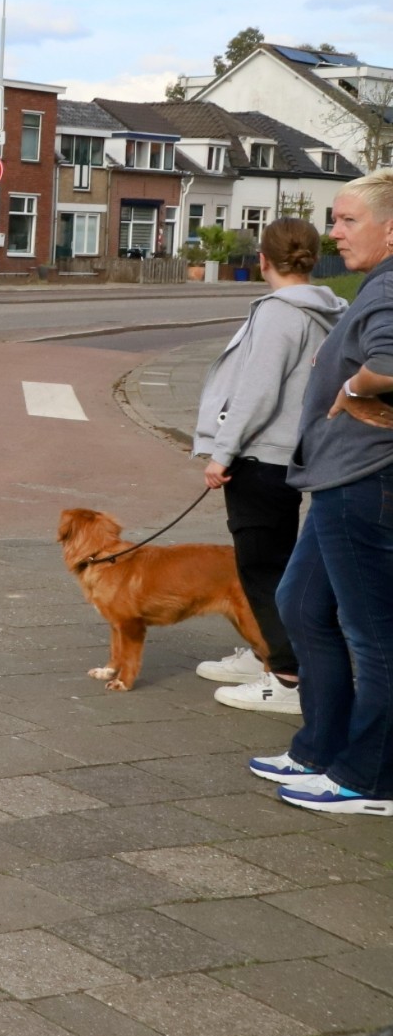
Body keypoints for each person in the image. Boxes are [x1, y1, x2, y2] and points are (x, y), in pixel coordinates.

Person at [250, 169, 393, 815]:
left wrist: (354, 387)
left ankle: (370, 778)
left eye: (348, 220)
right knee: (302, 605)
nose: (333, 233)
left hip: (365, 480)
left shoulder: (388, 287)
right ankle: (321, 748)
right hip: (338, 477)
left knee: (373, 635)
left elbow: (388, 361)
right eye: (334, 219)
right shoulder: (376, 284)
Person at [191, 218, 344, 715]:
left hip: (262, 455)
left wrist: (222, 452)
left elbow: (256, 392)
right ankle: (266, 652)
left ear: (262, 260)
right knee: (275, 562)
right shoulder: (327, 308)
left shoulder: (280, 313)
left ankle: (286, 678)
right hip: (294, 451)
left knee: (262, 567)